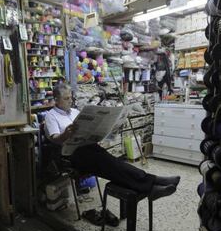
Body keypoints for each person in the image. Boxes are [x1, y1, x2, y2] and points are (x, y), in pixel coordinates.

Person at [44, 83, 180, 201]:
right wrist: (65, 135)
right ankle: (154, 182)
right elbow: (54, 139)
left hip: (88, 147)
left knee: (112, 163)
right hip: (71, 155)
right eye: (66, 98)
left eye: (71, 97)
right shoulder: (51, 116)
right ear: (56, 100)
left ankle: (151, 186)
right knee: (108, 163)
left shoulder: (74, 111)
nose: (70, 100)